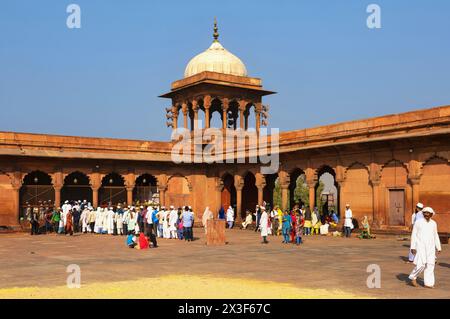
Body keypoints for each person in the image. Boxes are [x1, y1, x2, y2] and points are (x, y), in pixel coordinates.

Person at [408, 207, 441, 288]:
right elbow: (414, 235)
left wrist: (438, 247)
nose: (426, 215)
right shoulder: (418, 222)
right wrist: (413, 247)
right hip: (420, 246)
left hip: (431, 247)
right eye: (424, 213)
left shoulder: (433, 223)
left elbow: (435, 235)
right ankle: (413, 277)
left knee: (430, 264)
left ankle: (428, 283)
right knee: (421, 264)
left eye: (428, 213)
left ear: (431, 214)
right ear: (422, 214)